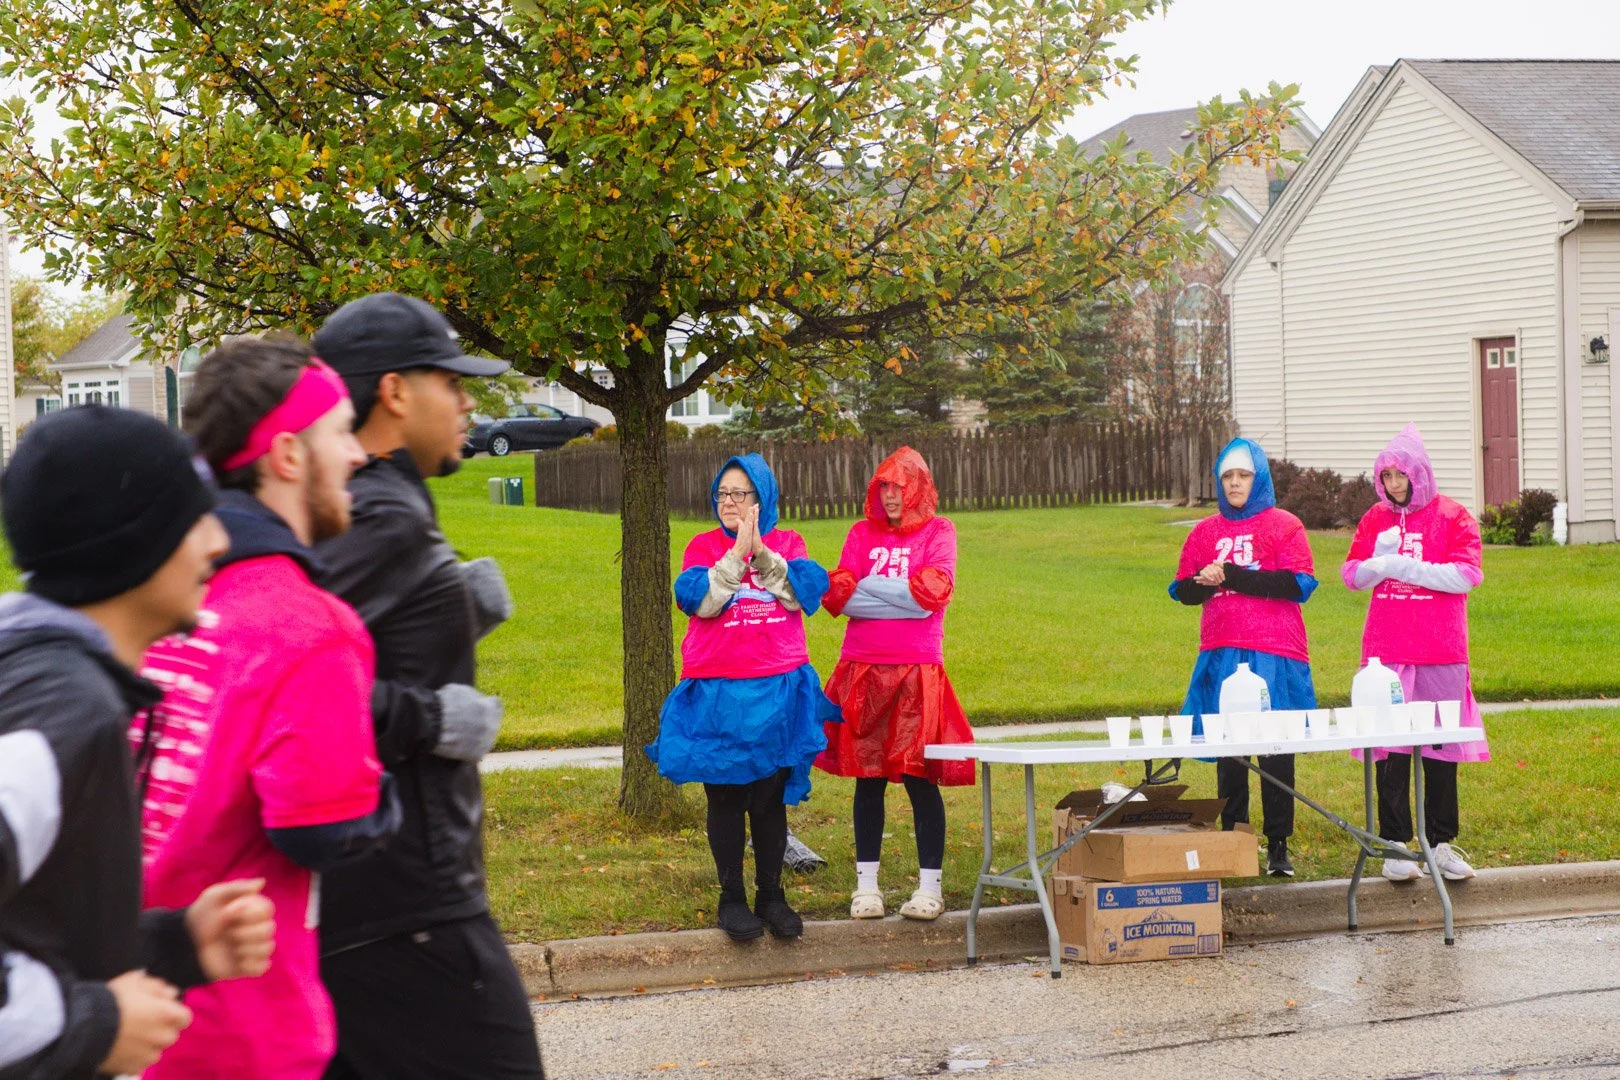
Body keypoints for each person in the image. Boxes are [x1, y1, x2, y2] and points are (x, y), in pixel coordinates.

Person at [132, 336, 403, 1079]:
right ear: (287, 454)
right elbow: (320, 830)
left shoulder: (149, 594)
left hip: (120, 1009)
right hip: (240, 1032)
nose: (358, 454)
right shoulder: (308, 626)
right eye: (340, 432)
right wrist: (385, 792)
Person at [0, 407, 276, 1079]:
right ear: (134, 541)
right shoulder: (67, 714)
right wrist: (89, 1023)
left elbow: (36, 933)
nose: (219, 541)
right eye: (194, 519)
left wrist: (176, 943)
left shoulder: (46, 682)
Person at [309, 293, 540, 1079]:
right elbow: (286, 685)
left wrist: (449, 616)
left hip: (376, 902)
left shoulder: (372, 502)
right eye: (450, 380)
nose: (468, 401)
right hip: (411, 905)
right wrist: (431, 718)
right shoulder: (378, 514)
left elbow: (348, 650)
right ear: (395, 392)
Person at [648, 454, 838, 942]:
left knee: (769, 799)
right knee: (727, 795)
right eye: (722, 494)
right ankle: (731, 899)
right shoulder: (702, 546)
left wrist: (762, 554)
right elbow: (699, 601)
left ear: (762, 498)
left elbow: (803, 594)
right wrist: (735, 555)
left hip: (777, 691)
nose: (728, 502)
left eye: (740, 493)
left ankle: (771, 895)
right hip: (719, 692)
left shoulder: (789, 543)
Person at [815, 447, 974, 921]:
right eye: (883, 485)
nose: (890, 495)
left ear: (918, 488)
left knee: (919, 780)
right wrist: (902, 596)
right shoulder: (860, 532)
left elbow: (932, 595)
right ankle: (866, 889)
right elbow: (840, 594)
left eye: (899, 486)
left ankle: (930, 889)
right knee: (868, 780)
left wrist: (871, 588)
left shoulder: (939, 531)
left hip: (916, 670)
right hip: (862, 669)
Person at [1342, 423, 1487, 882]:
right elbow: (1352, 576)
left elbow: (1465, 575)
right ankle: (1394, 845)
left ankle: (1441, 843)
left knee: (1440, 748)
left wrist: (1404, 566)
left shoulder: (1453, 516)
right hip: (1386, 650)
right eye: (1385, 477)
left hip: (1441, 648)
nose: (1393, 484)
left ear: (1418, 473)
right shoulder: (1375, 518)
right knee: (1391, 747)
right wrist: (1377, 563)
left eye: (1400, 475)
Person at [1170, 437, 1318, 877]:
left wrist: (1231, 575)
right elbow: (1182, 592)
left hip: (1275, 651)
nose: (1235, 483)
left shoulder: (1284, 525)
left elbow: (1297, 584)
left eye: (1243, 475)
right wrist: (1204, 580)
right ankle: (1235, 839)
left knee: (1275, 746)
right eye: (1228, 477)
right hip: (1222, 651)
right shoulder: (1204, 532)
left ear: (1259, 479)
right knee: (1229, 749)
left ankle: (1278, 845)